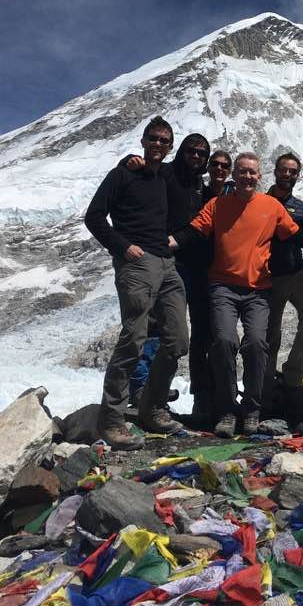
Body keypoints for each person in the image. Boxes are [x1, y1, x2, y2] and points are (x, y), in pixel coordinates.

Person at [171, 152, 299, 437]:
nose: (247, 177)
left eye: (252, 172)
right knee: (224, 342)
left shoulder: (272, 206)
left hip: (258, 290)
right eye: (242, 172)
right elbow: (194, 231)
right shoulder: (219, 204)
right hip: (223, 287)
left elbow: (293, 236)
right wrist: (169, 241)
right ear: (235, 175)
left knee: (255, 343)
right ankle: (227, 409)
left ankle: (252, 408)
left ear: (259, 176)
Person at [84, 116, 188, 450]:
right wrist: (122, 246)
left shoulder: (163, 176)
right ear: (143, 141)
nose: (158, 144)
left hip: (167, 263)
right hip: (137, 262)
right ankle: (111, 420)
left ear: (170, 146)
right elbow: (94, 216)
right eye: (153, 138)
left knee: (176, 339)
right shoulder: (123, 174)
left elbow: (190, 175)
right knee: (133, 339)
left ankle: (150, 408)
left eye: (164, 140)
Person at [120, 133, 215, 425]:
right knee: (154, 327)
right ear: (181, 151)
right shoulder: (165, 172)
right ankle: (141, 388)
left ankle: (197, 397)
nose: (196, 157)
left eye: (202, 154)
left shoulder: (203, 187)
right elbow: (139, 167)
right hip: (166, 258)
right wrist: (128, 162)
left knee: (195, 333)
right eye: (192, 151)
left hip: (197, 265)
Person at [262, 153, 303, 419]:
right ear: (276, 171)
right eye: (284, 170)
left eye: (293, 172)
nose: (288, 175)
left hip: (297, 273)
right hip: (269, 276)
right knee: (270, 333)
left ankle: (293, 375)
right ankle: (267, 383)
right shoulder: (260, 203)